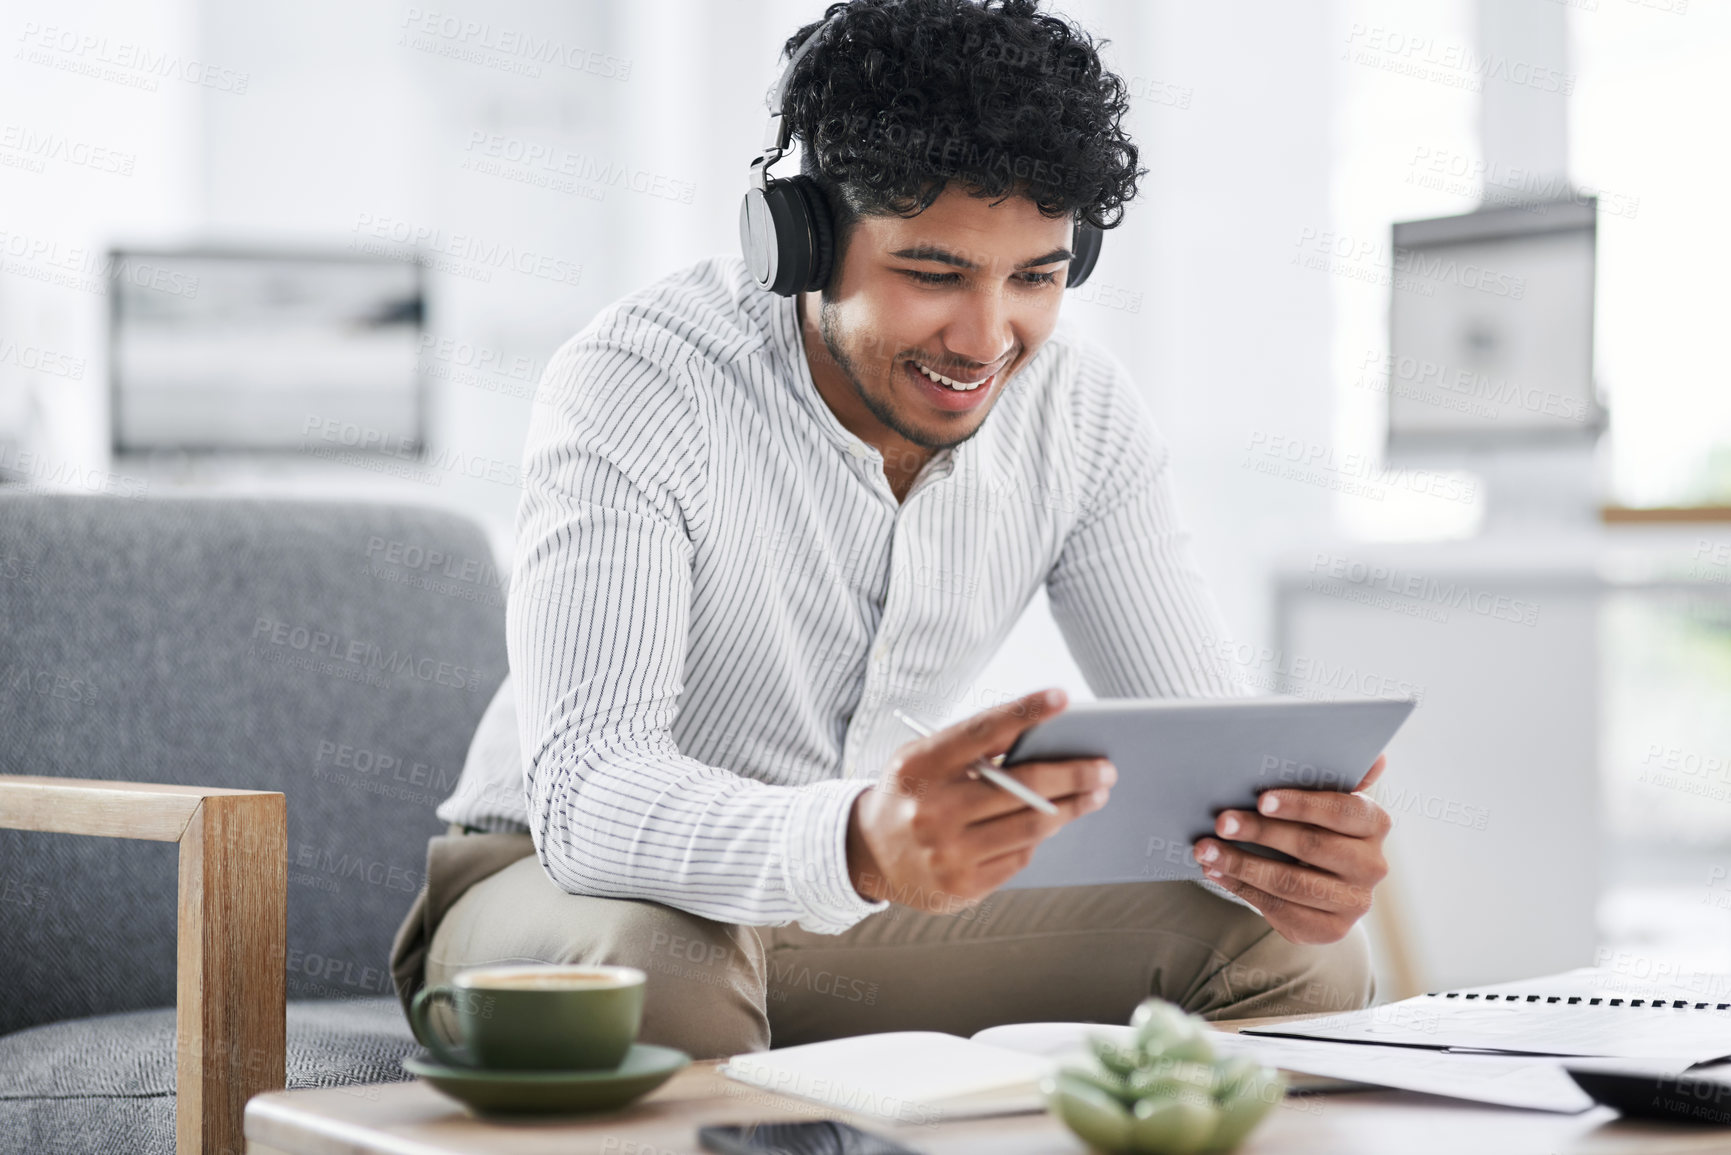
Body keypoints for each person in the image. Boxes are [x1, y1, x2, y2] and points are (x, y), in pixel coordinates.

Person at [391, 0, 1392, 1060]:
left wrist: (1283, 852)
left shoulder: (1082, 414)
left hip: (863, 905)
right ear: (801, 241)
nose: (986, 338)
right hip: (560, 890)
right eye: (933, 274)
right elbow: (591, 798)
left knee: (1296, 952)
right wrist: (858, 839)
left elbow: (1209, 760)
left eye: (1036, 277)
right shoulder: (640, 384)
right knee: (667, 965)